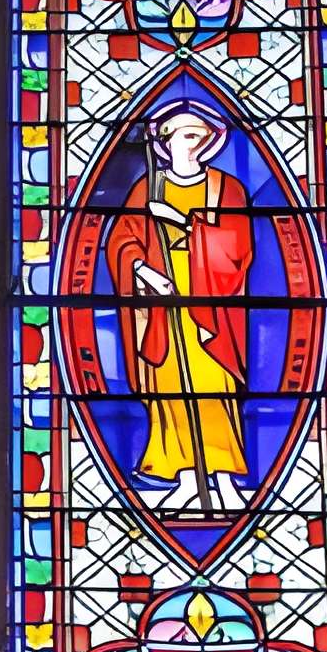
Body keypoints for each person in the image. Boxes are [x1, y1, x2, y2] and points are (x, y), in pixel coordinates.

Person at [104, 102, 256, 514]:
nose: (188, 143)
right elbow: (122, 241)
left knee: (213, 385)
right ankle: (186, 477)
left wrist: (180, 221)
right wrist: (146, 274)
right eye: (178, 135)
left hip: (210, 303)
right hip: (160, 302)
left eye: (196, 135)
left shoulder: (227, 188)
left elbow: (238, 245)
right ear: (164, 142)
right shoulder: (147, 189)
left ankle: (223, 478)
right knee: (168, 385)